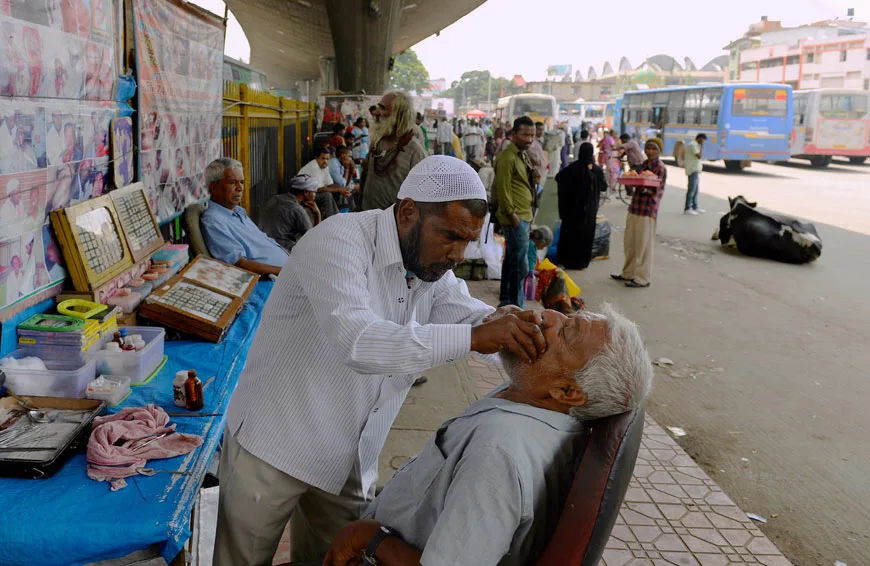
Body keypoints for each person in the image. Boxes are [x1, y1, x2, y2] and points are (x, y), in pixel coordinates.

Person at [213, 156, 548, 565]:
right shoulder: (340, 240)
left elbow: (465, 311)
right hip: (276, 443)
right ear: (408, 211)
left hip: (348, 454)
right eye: (449, 236)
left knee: (337, 560)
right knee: (241, 560)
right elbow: (358, 342)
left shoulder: (430, 268)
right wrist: (476, 337)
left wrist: (506, 323)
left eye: (467, 241)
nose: (457, 254)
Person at [324, 304, 654, 566]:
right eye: (567, 315)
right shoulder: (536, 399)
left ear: (567, 391)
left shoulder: (499, 453)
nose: (547, 315)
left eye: (566, 331)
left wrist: (368, 538)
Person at [200, 157, 289, 276]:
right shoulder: (213, 220)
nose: (240, 188)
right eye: (232, 182)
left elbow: (265, 242)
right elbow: (240, 264)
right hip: (274, 281)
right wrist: (287, 272)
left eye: (241, 182)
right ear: (214, 187)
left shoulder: (238, 212)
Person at [611, 138, 667, 289]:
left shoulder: (660, 167)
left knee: (644, 245)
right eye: (648, 148)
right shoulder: (643, 165)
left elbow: (656, 190)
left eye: (653, 149)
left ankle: (642, 278)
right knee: (630, 242)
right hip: (635, 207)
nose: (650, 151)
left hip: (647, 210)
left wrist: (643, 188)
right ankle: (628, 273)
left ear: (659, 151)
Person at [494, 116, 536, 308]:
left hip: (524, 214)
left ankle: (507, 303)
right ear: (514, 134)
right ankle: (516, 305)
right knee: (521, 265)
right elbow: (502, 188)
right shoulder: (507, 157)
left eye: (531, 135)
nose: (529, 139)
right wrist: (512, 215)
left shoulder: (521, 155)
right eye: (525, 134)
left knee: (512, 261)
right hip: (515, 216)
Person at [360, 91, 426, 211]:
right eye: (378, 107)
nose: (377, 112)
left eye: (383, 108)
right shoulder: (377, 142)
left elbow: (421, 193)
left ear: (398, 114)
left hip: (393, 223)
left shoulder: (414, 150)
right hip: (367, 216)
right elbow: (365, 173)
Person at [555, 143, 606, 270]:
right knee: (586, 236)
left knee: (569, 235)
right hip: (589, 211)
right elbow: (604, 186)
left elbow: (558, 177)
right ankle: (582, 262)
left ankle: (566, 260)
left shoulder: (573, 168)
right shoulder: (596, 169)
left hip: (572, 211)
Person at [260, 174, 320, 252]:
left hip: (262, 243)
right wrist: (317, 214)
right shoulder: (298, 210)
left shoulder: (274, 199)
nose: (315, 195)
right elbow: (313, 239)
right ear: (305, 192)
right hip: (283, 250)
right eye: (314, 191)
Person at [299, 146, 349, 219]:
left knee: (339, 191)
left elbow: (330, 184)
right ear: (316, 158)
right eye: (323, 158)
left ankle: (338, 217)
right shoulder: (314, 166)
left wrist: (343, 190)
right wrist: (339, 189)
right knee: (327, 195)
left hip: (312, 194)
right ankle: (332, 219)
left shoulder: (325, 166)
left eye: (327, 159)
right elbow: (319, 189)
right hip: (303, 195)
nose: (325, 161)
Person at [683, 133, 707, 215]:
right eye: (703, 140)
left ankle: (695, 207)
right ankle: (688, 207)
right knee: (691, 189)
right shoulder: (693, 145)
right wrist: (702, 146)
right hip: (692, 169)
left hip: (695, 170)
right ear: (699, 138)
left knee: (695, 190)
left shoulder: (695, 145)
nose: (703, 142)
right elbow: (699, 156)